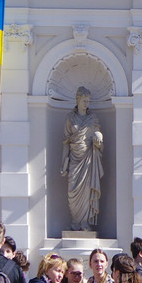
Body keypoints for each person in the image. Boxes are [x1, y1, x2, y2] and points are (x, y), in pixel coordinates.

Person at [61, 86, 104, 231]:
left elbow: (98, 137)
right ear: (77, 100)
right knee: (72, 192)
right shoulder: (70, 118)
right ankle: (75, 221)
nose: (86, 103)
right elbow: (66, 142)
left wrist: (99, 141)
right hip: (74, 159)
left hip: (88, 159)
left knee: (86, 191)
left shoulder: (93, 118)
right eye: (84, 100)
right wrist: (63, 163)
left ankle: (85, 222)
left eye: (88, 101)